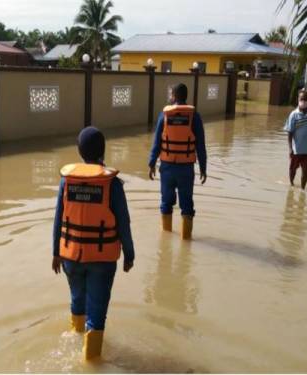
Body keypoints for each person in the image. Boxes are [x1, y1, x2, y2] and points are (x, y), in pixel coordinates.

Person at [52, 126, 135, 361]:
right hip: (101, 260)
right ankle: (91, 363)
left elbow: (58, 219)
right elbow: (124, 223)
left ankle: (75, 338)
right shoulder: (113, 185)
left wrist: (55, 253)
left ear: (79, 152)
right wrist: (129, 254)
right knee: (96, 314)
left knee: (77, 301)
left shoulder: (66, 182)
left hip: (71, 257)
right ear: (103, 151)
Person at [148, 83, 207, 240]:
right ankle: (186, 241)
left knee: (166, 202)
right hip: (186, 169)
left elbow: (157, 143)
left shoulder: (164, 115)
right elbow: (200, 145)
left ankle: (165, 241)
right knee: (187, 205)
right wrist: (203, 168)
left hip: (167, 167)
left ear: (173, 96)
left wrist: (152, 163)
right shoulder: (194, 116)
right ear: (185, 97)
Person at [284, 90, 307, 190]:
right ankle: (291, 185)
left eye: (306, 99)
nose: (304, 101)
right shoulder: (293, 115)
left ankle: (303, 189)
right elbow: (290, 132)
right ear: (298, 100)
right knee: (292, 169)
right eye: (302, 99)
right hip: (296, 149)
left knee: (305, 171)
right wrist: (290, 148)